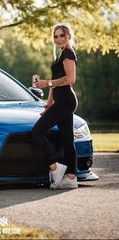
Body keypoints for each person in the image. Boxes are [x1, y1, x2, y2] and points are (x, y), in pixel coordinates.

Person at [31, 23, 78, 189]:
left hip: (66, 101)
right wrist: (48, 104)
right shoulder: (59, 56)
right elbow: (54, 84)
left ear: (68, 36)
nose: (58, 39)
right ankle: (71, 178)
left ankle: (55, 168)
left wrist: (47, 82)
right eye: (56, 36)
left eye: (62, 35)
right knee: (67, 139)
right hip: (61, 101)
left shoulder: (68, 53)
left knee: (36, 132)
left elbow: (70, 79)